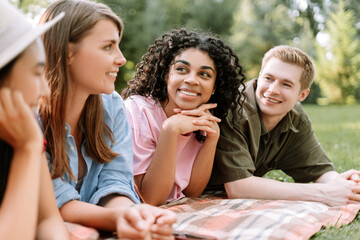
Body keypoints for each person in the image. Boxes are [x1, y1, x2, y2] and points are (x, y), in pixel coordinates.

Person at [38, 0, 176, 239]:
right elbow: (55, 203)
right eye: (108, 47)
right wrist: (119, 218)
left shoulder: (111, 105)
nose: (121, 59)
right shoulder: (30, 115)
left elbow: (115, 183)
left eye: (118, 46)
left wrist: (136, 214)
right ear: (68, 52)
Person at [209, 45, 360, 207]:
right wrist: (324, 193)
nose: (273, 90)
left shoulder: (295, 116)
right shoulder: (232, 108)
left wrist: (346, 185)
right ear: (259, 77)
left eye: (286, 84)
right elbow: (238, 187)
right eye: (268, 78)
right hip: (189, 189)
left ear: (302, 95)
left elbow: (320, 170)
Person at [122, 28, 246, 206]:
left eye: (204, 74)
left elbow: (192, 192)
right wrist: (170, 130)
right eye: (181, 69)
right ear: (166, 75)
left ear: (214, 87)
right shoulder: (137, 111)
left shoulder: (202, 120)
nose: (192, 80)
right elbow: (151, 199)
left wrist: (212, 138)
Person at [0, 1, 69, 239]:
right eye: (37, 73)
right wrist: (27, 149)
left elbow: (47, 219)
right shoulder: (27, 140)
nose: (46, 91)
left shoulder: (24, 127)